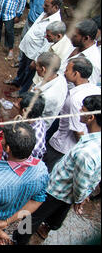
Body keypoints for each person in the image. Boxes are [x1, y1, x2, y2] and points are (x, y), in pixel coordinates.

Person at [11, 94, 101, 244]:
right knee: (60, 213)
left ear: (91, 117)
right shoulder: (94, 140)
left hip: (57, 189)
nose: (79, 110)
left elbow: (80, 182)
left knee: (32, 217)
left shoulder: (86, 152)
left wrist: (80, 198)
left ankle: (18, 239)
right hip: (68, 193)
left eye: (82, 109)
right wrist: (84, 193)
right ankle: (48, 227)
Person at [43, 57, 100, 172]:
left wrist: (81, 151)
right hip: (70, 145)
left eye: (67, 70)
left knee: (48, 170)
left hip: (62, 147)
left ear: (76, 74)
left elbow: (78, 132)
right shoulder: (95, 90)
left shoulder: (75, 100)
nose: (64, 72)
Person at [5, 0, 63, 97]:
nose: (43, 6)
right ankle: (17, 81)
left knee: (29, 74)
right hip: (27, 49)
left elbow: (46, 45)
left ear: (55, 7)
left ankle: (22, 92)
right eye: (44, 4)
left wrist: (36, 60)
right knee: (22, 67)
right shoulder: (46, 13)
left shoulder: (54, 23)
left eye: (46, 5)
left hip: (34, 54)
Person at [14, 0, 55, 68]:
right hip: (29, 21)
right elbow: (31, 2)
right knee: (24, 40)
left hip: (38, 26)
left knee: (34, 45)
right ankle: (21, 61)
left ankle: (30, 63)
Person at [29, 51, 68, 132]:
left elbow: (32, 114)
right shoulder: (60, 77)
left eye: (37, 66)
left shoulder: (47, 96)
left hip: (36, 126)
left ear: (43, 69)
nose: (36, 68)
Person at [31, 21, 74, 87]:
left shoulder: (64, 51)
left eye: (48, 36)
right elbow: (41, 51)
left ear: (58, 36)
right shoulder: (53, 40)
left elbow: (55, 72)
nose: (45, 37)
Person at [6, 92, 47, 160]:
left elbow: (22, 161)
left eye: (18, 103)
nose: (14, 104)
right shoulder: (34, 117)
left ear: (24, 110)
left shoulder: (35, 140)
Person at [67, 19, 101, 87]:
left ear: (86, 38)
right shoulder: (74, 45)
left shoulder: (93, 61)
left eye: (75, 36)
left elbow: (86, 88)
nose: (71, 37)